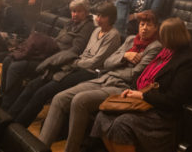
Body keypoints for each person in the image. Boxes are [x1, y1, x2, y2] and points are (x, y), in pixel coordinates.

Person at [40, 11, 163, 152]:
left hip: (122, 87)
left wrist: (117, 64)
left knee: (80, 101)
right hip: (104, 78)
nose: (145, 28)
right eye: (142, 24)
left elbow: (134, 74)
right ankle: (39, 148)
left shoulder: (155, 47)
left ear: (156, 28)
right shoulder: (130, 40)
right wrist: (124, 56)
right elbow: (107, 62)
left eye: (149, 25)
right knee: (59, 98)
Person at [90, 17, 192, 152]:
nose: (160, 39)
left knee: (122, 124)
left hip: (162, 115)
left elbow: (174, 99)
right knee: (103, 116)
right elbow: (141, 76)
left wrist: (142, 96)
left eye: (163, 36)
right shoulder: (164, 52)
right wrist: (133, 92)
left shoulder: (188, 62)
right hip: (143, 101)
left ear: (171, 37)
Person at [0, 0, 94, 110]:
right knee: (8, 60)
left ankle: (6, 105)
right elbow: (57, 40)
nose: (75, 14)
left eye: (79, 11)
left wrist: (53, 56)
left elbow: (75, 50)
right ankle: (2, 98)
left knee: (15, 66)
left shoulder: (87, 27)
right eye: (73, 11)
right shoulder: (70, 23)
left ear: (86, 12)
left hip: (55, 61)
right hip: (47, 53)